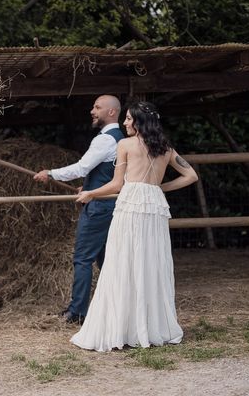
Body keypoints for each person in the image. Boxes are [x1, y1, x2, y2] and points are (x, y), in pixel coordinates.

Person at [70, 101, 198, 351]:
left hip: (130, 205)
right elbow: (191, 175)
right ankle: (150, 327)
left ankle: (122, 326)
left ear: (139, 121)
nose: (125, 123)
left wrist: (91, 193)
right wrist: (159, 188)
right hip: (154, 205)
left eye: (129, 119)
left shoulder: (125, 145)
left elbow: (117, 184)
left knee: (123, 261)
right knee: (151, 262)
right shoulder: (166, 148)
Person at [34, 94, 124, 324]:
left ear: (112, 112)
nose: (92, 111)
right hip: (108, 204)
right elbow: (107, 173)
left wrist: (51, 173)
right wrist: (89, 187)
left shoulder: (105, 139)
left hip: (99, 208)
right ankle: (112, 307)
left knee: (83, 259)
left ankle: (77, 312)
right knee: (106, 259)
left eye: (97, 107)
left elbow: (82, 167)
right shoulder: (118, 138)